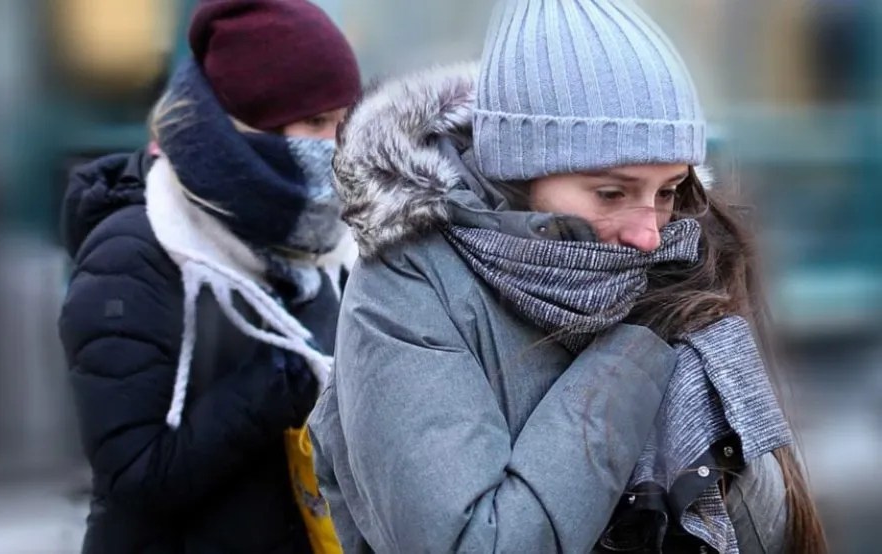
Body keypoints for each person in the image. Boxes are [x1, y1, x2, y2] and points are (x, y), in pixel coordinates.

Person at [308, 0, 826, 552]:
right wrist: (633, 358)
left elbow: (773, 532)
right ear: (519, 171)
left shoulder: (678, 266)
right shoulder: (407, 288)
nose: (649, 234)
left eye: (668, 191)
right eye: (611, 193)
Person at [58, 1, 360, 552]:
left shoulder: (328, 248)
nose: (337, 145)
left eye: (346, 122)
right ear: (246, 126)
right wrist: (281, 382)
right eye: (317, 122)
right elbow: (135, 476)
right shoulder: (132, 255)